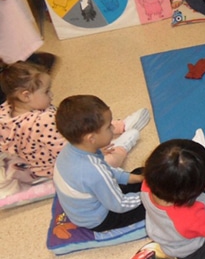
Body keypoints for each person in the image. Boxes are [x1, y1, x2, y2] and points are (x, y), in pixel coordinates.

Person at [0, 60, 149, 181]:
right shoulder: (42, 120)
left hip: (42, 160)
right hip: (60, 168)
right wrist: (97, 150)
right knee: (104, 167)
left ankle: (114, 127)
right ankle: (121, 146)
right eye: (46, 91)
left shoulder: (5, 112)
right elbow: (70, 152)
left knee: (76, 118)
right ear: (25, 96)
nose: (51, 95)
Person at [53, 95, 146, 231]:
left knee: (140, 173)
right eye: (109, 127)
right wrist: (148, 196)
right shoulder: (93, 170)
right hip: (99, 219)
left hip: (84, 209)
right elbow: (119, 204)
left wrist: (134, 178)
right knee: (156, 204)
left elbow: (107, 172)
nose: (114, 129)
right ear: (91, 138)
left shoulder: (70, 150)